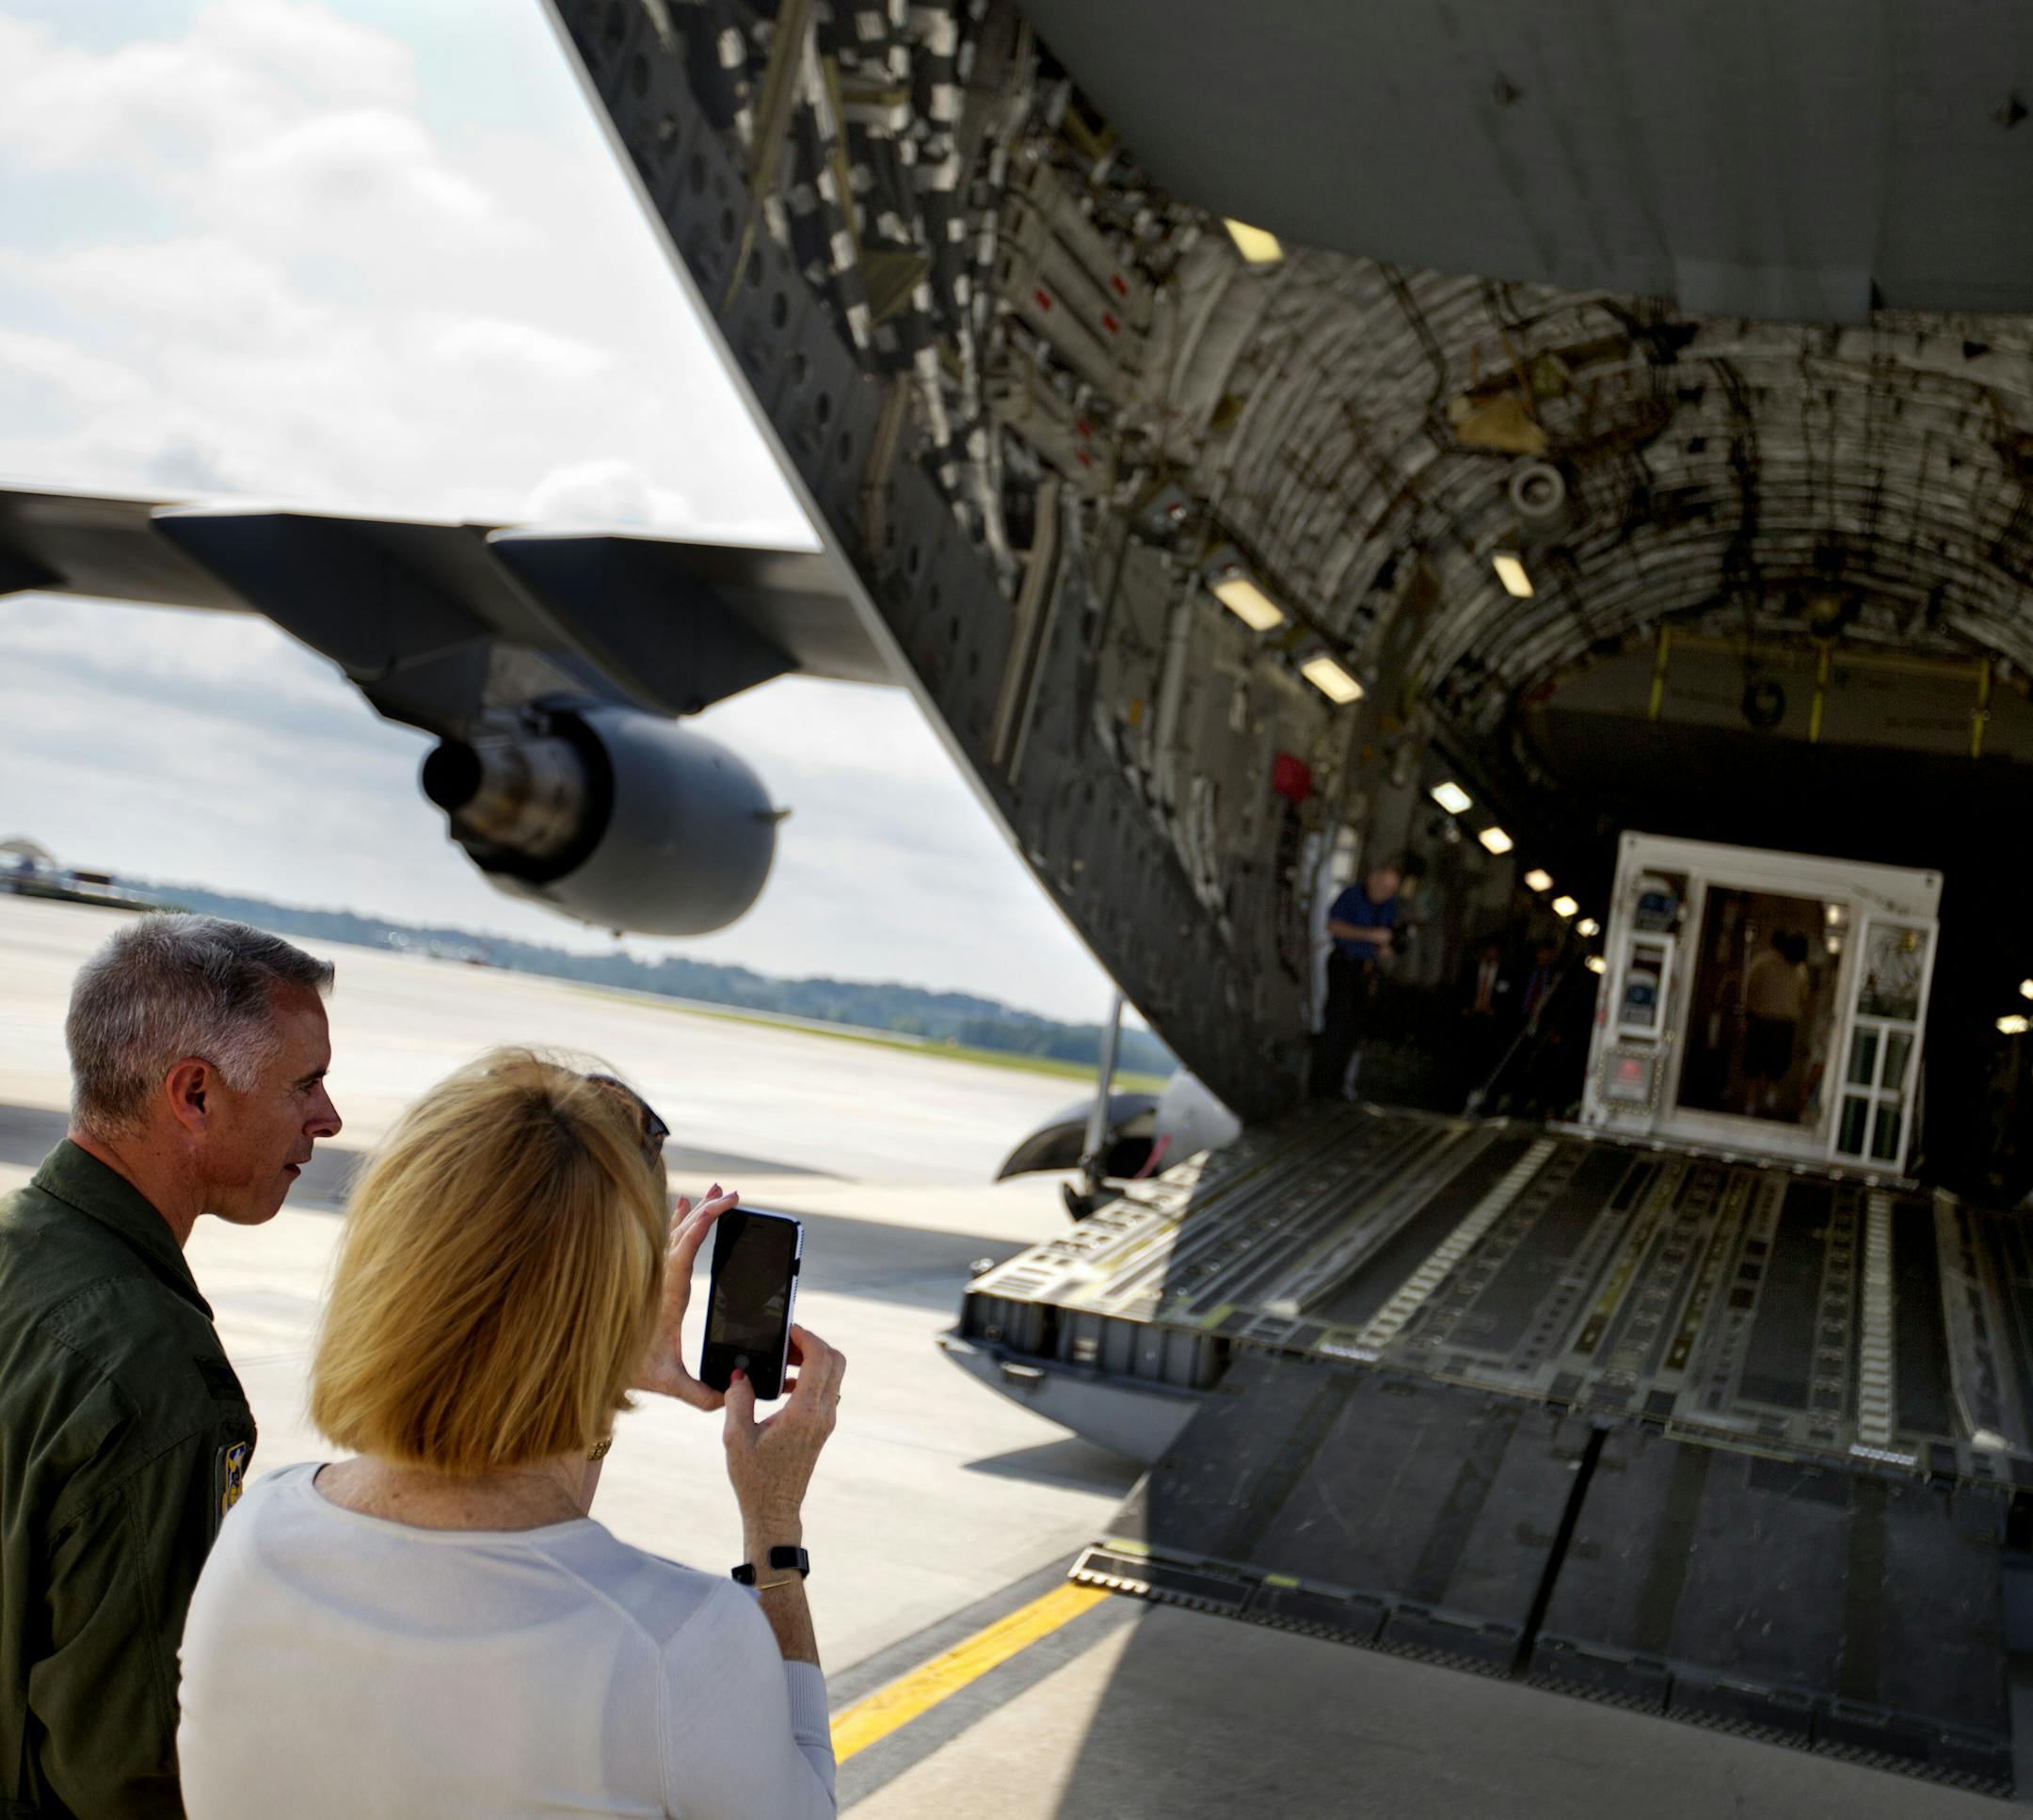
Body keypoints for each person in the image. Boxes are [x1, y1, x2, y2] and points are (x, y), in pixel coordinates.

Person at [177, 1050, 844, 1819]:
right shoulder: (679, 1642)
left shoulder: (256, 1534)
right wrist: (773, 1532)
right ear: (617, 1305)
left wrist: (603, 1367)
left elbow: (528, 1536)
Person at [0, 914, 341, 1817]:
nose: (328, 1118)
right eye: (304, 1084)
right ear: (194, 1094)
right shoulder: (151, 1372)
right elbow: (130, 1770)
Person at [1311, 854, 1404, 1098]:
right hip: (1344, 963)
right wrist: (1370, 935)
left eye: (1391, 890)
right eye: (1383, 887)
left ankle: (1338, 1086)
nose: (1385, 894)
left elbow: (1386, 935)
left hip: (1366, 969)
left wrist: (1385, 948)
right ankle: (1319, 1088)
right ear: (1373, 878)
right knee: (1336, 1023)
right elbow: (1333, 926)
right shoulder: (1351, 896)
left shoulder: (1389, 904)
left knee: (1354, 1028)